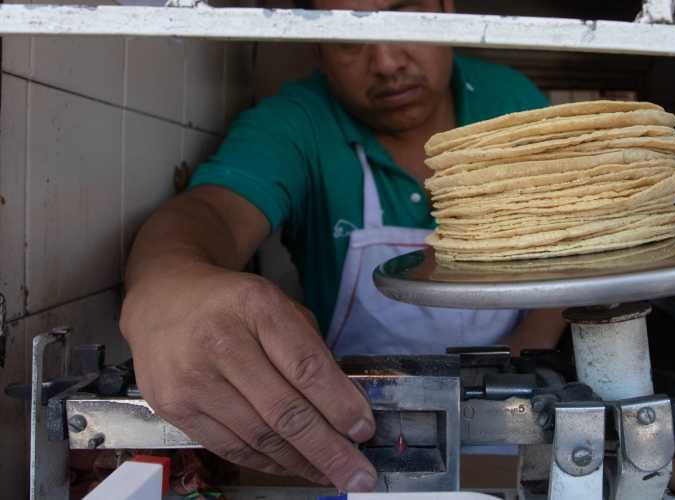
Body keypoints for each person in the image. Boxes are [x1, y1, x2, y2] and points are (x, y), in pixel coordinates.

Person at [120, 0, 565, 492]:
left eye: (403, 17)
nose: (387, 62)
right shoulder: (298, 123)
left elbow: (573, 243)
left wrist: (525, 352)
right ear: (317, 46)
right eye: (349, 38)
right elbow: (212, 215)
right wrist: (166, 284)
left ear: (445, 7)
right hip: (356, 435)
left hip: (510, 422)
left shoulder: (511, 104)